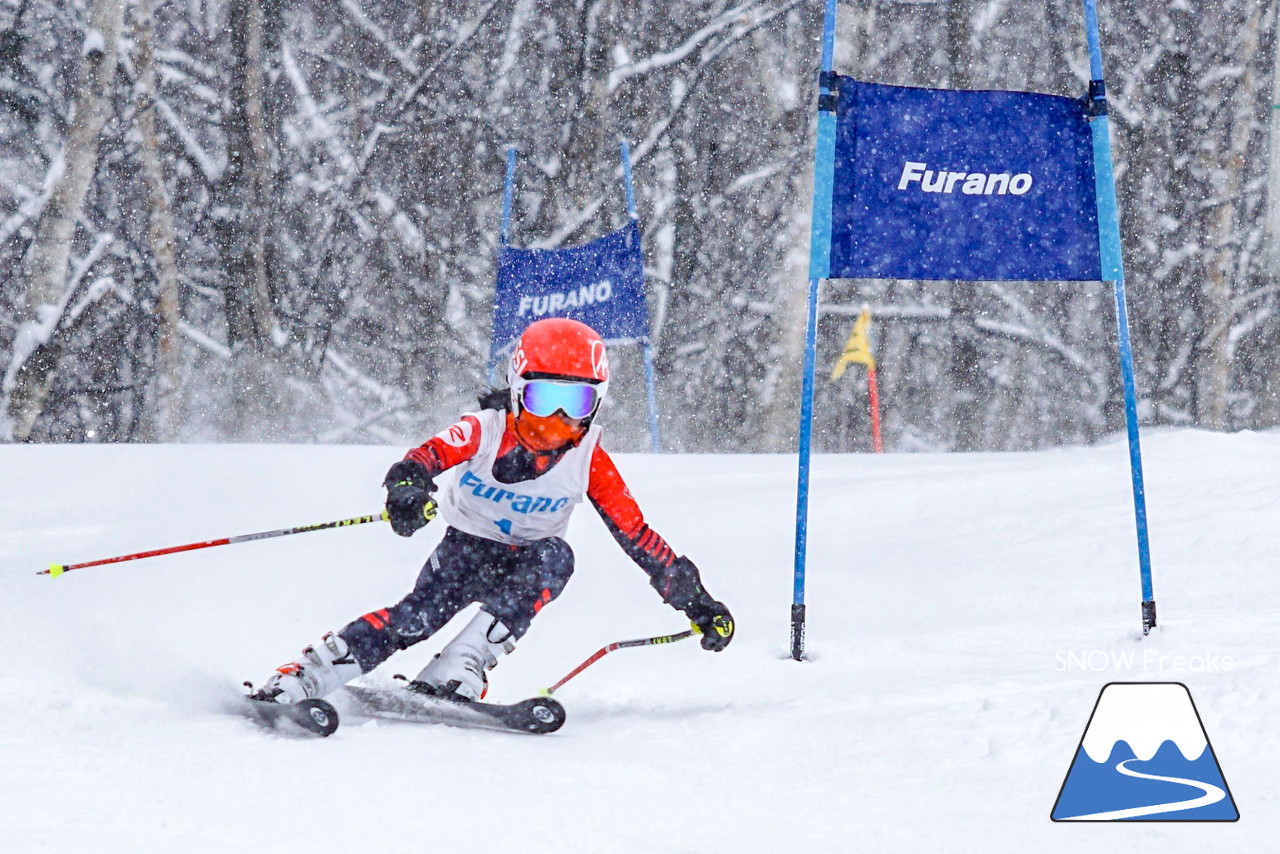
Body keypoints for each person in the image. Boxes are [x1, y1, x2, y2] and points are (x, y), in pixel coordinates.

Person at [252, 317, 733, 705]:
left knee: (556, 556)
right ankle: (305, 676)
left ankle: (462, 664)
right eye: (546, 399)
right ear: (519, 388)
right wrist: (406, 488)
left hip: (526, 563)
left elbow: (637, 535)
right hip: (465, 551)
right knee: (415, 620)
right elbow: (425, 458)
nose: (559, 420)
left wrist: (696, 600)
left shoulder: (590, 457)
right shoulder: (487, 429)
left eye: (578, 402)